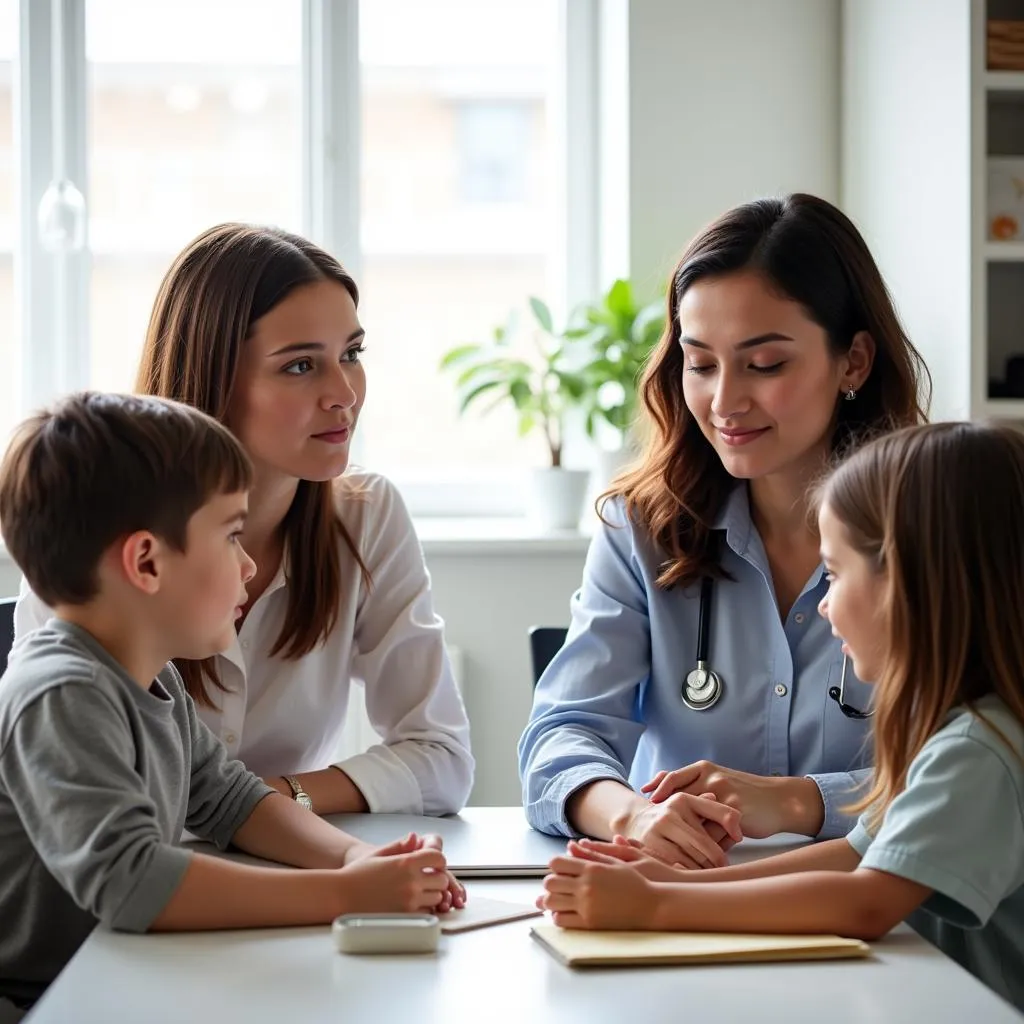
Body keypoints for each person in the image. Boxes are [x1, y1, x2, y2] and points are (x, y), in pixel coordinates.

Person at [539, 421, 1024, 1013]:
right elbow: (853, 854)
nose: (823, 602)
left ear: (910, 584)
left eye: (838, 573)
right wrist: (670, 881)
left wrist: (655, 907)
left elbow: (866, 901)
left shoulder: (979, 750)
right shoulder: (967, 729)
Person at [0, 392, 461, 1016]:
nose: (249, 567)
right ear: (146, 561)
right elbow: (132, 880)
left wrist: (357, 856)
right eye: (231, 535)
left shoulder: (151, 676)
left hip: (122, 973)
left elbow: (232, 799)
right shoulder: (60, 693)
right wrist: (341, 894)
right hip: (48, 1000)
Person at [519, 193, 930, 865]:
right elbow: (563, 733)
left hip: (882, 913)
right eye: (701, 363)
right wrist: (631, 814)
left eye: (764, 365)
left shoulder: (934, 527)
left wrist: (798, 800)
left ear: (853, 361)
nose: (725, 401)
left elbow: (977, 770)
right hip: (679, 900)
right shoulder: (640, 528)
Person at [13, 224, 473, 818]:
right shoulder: (95, 519)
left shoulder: (365, 513)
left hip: (278, 861)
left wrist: (256, 808)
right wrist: (245, 815)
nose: (344, 393)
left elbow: (441, 758)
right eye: (301, 366)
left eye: (352, 355)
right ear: (212, 378)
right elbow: (60, 791)